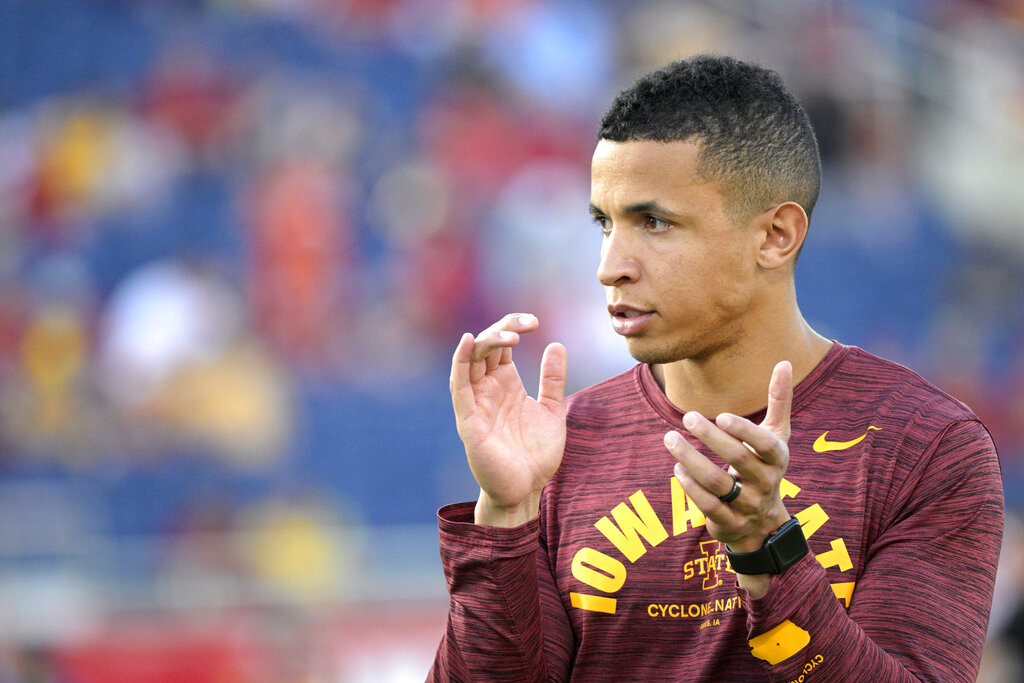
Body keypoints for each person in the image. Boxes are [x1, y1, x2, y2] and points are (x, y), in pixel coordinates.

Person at [428, 54, 1003, 682]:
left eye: (654, 222)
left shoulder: (924, 448)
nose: (609, 265)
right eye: (604, 222)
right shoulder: (561, 446)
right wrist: (505, 515)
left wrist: (770, 552)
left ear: (775, 236)